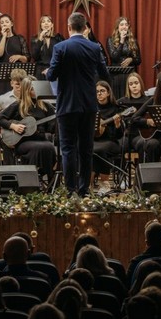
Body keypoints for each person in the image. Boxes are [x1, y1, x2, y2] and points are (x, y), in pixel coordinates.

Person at [47, 12, 111, 196]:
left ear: (69, 27)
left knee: (68, 149)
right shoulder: (94, 47)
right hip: (88, 105)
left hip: (67, 104)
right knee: (86, 149)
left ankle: (70, 190)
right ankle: (84, 190)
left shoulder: (60, 47)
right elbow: (105, 75)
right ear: (84, 28)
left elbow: (51, 75)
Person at [0, 77, 57, 181]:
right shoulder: (18, 105)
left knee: (49, 147)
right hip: (23, 141)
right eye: (32, 89)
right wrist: (13, 126)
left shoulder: (47, 106)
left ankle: (50, 181)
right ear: (26, 90)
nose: (35, 91)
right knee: (39, 148)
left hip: (41, 139)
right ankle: (31, 181)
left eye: (36, 88)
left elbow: (51, 127)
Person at [92, 80, 123, 194]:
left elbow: (119, 135)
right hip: (94, 140)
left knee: (100, 149)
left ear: (108, 93)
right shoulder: (92, 108)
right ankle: (88, 183)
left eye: (102, 91)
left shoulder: (115, 109)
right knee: (88, 149)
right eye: (97, 91)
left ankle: (104, 183)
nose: (99, 93)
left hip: (111, 142)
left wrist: (117, 125)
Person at [0, 14, 30, 97]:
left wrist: (19, 57)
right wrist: (4, 36)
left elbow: (27, 58)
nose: (4, 24)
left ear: (11, 24)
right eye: (2, 23)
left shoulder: (19, 38)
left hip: (17, 76)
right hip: (1, 76)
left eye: (6, 22)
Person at [106, 16, 141, 98]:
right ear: (117, 27)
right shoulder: (110, 40)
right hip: (116, 75)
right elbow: (114, 57)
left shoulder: (133, 40)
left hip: (129, 74)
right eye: (121, 24)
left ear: (128, 27)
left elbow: (139, 60)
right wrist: (121, 41)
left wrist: (131, 59)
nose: (124, 26)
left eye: (126, 24)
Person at [31, 15, 64, 80]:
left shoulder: (58, 38)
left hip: (55, 69)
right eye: (43, 22)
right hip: (40, 71)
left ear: (52, 25)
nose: (46, 23)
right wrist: (40, 39)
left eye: (48, 21)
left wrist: (51, 69)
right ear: (40, 26)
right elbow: (34, 56)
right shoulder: (35, 39)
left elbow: (62, 56)